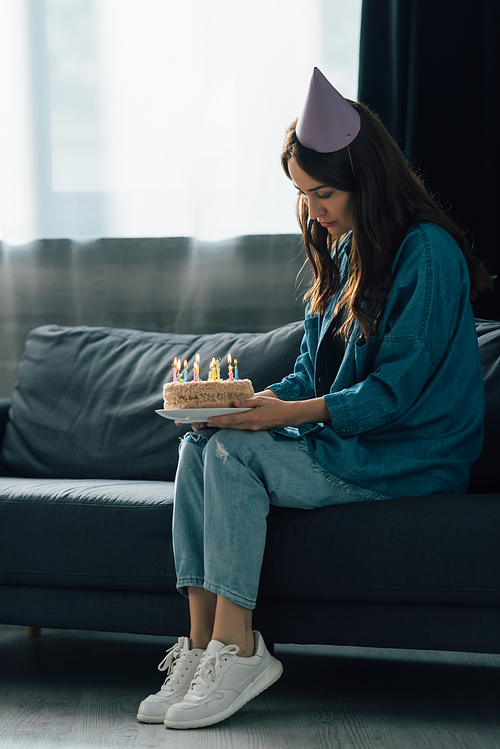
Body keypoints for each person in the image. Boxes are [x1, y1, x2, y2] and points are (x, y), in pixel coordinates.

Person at [137, 68, 493, 731]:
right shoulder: (345, 252)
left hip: (406, 456)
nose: (313, 209)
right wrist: (247, 404)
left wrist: (282, 417)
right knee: (200, 442)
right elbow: (309, 377)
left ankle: (239, 648)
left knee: (236, 457)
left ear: (368, 178)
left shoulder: (429, 252)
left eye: (323, 192)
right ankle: (198, 645)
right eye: (303, 194)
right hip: (347, 444)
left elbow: (393, 394)